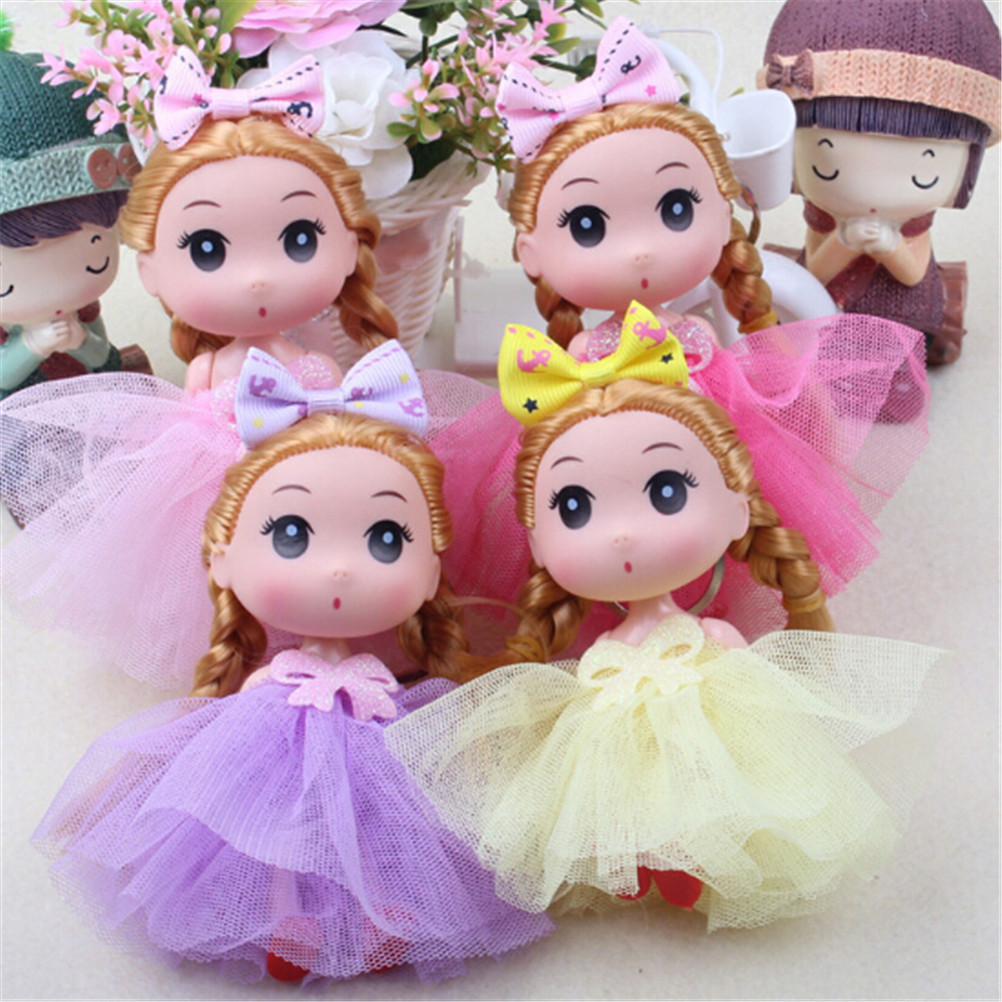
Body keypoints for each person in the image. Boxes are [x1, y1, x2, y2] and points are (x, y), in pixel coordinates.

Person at [385, 306, 943, 929]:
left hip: (702, 691)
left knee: (720, 769)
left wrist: (727, 651)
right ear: (536, 543)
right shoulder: (600, 648)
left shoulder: (713, 631)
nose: (623, 535)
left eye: (666, 492)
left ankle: (701, 853)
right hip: (614, 696)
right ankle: (635, 854)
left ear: (738, 508)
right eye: (575, 507)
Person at [32, 342, 553, 984]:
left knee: (381, 823)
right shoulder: (261, 678)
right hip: (273, 731)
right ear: (222, 559)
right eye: (291, 535)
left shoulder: (396, 684)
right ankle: (282, 913)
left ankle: (375, 910)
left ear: (431, 571)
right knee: (271, 827)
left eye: (385, 538)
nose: (338, 570)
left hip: (375, 726)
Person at [0, 49, 401, 687]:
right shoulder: (210, 366)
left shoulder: (314, 363)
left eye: (299, 239)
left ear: (351, 244)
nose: (259, 278)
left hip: (305, 489)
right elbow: (189, 409)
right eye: (209, 248)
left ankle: (310, 628)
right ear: (151, 268)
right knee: (210, 566)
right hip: (203, 481)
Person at [758, 0, 1001, 365]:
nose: (870, 193)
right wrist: (842, 242)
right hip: (824, 312)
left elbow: (914, 275)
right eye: (826, 165)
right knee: (812, 343)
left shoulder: (914, 227)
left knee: (897, 355)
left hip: (897, 314)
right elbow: (815, 272)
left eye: (924, 172)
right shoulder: (822, 219)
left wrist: (890, 247)